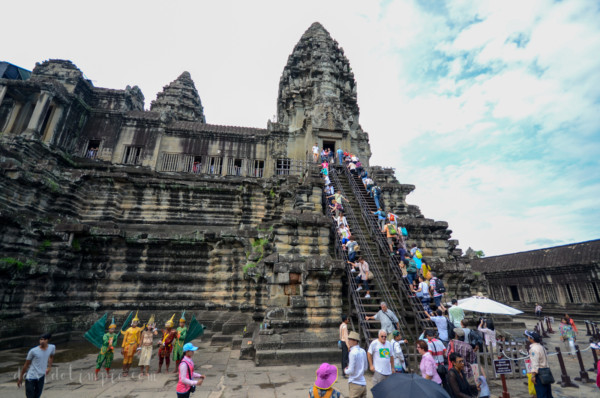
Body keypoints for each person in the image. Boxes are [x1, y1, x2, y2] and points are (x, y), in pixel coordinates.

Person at [17, 333, 55, 398]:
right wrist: (20, 378)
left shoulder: (52, 347)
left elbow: (51, 356)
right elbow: (26, 365)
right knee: (30, 396)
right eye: (41, 339)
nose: (42, 341)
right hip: (30, 377)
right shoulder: (33, 351)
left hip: (41, 377)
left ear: (48, 340)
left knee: (37, 396)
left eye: (44, 339)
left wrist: (49, 367)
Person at [526, 330, 553, 398]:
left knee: (541, 394)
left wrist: (533, 376)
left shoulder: (533, 349)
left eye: (529, 337)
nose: (528, 338)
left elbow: (535, 363)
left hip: (539, 372)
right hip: (546, 370)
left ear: (532, 339)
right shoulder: (541, 347)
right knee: (548, 393)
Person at [344, 331, 368, 398]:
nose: (348, 341)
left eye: (350, 339)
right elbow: (365, 368)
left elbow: (351, 370)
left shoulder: (352, 353)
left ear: (355, 341)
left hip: (355, 383)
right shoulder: (363, 351)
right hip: (363, 383)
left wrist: (345, 370)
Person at [121, 311, 143, 377]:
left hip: (134, 345)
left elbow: (139, 339)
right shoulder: (128, 330)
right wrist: (122, 347)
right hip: (127, 345)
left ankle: (127, 370)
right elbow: (124, 339)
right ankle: (124, 371)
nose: (134, 324)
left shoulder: (138, 330)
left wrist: (139, 347)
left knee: (130, 359)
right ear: (132, 322)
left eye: (136, 322)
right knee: (125, 358)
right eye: (134, 322)